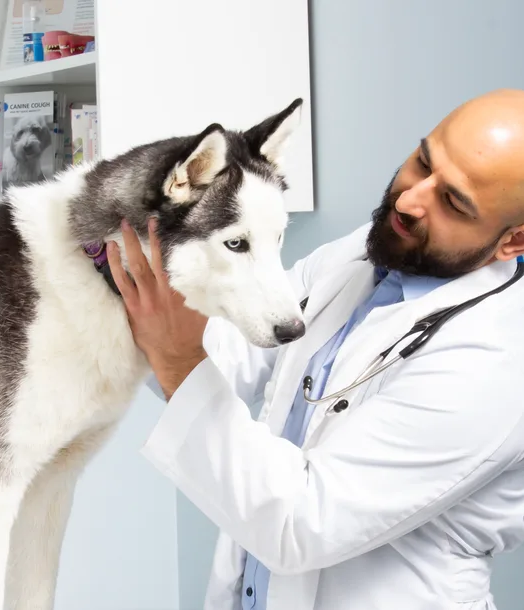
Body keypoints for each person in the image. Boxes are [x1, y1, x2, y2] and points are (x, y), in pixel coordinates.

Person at [106, 88, 524, 610]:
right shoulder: (364, 256)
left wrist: (174, 358)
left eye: (452, 202)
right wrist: (118, 290)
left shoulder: (496, 365)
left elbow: (303, 522)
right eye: (423, 162)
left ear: (513, 241)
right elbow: (230, 362)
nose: (409, 199)